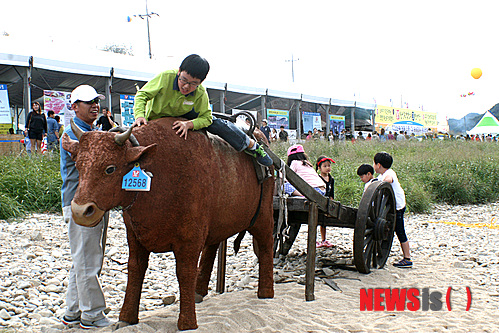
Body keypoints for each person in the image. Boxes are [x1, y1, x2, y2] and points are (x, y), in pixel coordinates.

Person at [132, 54, 272, 167]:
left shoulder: (200, 92)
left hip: (183, 114)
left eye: (193, 84)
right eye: (183, 80)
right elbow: (142, 95)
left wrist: (189, 124)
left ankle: (252, 146)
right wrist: (139, 116)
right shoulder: (165, 77)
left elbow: (206, 117)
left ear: (201, 82)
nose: (186, 86)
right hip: (156, 117)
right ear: (179, 71)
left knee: (216, 123)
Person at [60, 85, 113, 329]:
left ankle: (72, 311)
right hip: (81, 205)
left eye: (96, 101)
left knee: (81, 258)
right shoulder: (75, 134)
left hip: (88, 203)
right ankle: (92, 314)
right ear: (74, 107)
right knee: (88, 260)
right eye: (87, 102)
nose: (95, 105)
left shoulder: (87, 131)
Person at [373, 152, 412, 268]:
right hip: (391, 206)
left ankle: (407, 258)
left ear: (378, 165)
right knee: (393, 228)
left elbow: (388, 180)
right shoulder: (380, 176)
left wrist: (382, 183)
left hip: (398, 206)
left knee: (400, 231)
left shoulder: (389, 173)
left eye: (374, 163)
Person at [316, 155, 335, 248]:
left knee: (324, 223)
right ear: (319, 168)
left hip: (327, 203)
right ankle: (315, 240)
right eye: (325, 166)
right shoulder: (317, 178)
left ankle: (323, 239)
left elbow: (332, 193)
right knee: (316, 221)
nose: (328, 168)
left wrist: (332, 202)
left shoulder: (331, 179)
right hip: (319, 202)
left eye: (329, 165)